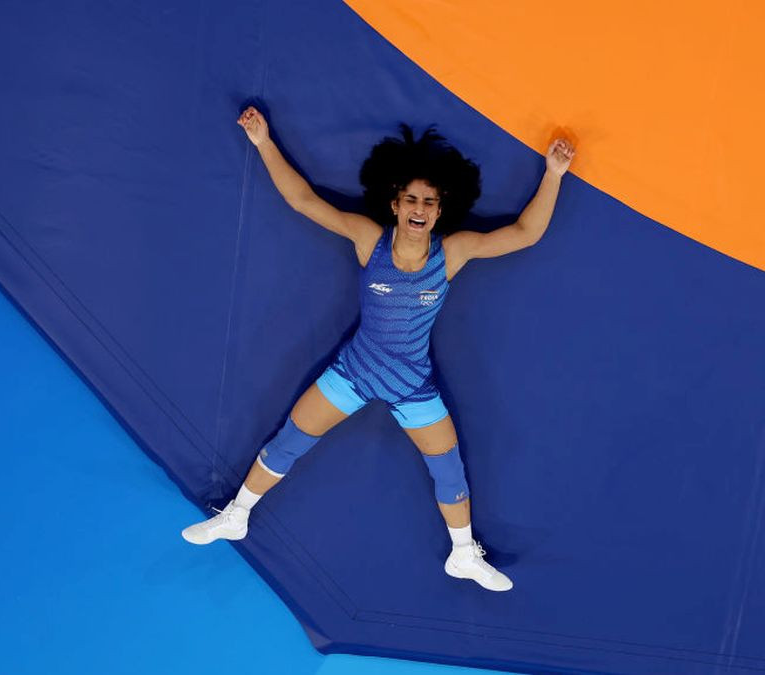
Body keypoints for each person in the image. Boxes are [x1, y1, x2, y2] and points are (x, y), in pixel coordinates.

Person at [182, 105, 575, 592]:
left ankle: (462, 556)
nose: (419, 208)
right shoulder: (370, 241)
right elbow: (304, 201)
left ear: (439, 210)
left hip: (414, 387)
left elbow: (525, 233)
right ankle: (236, 516)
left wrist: (554, 174)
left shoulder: (453, 253)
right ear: (394, 204)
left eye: (429, 202)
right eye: (411, 198)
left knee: (449, 471)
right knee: (288, 442)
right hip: (353, 373)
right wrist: (263, 142)